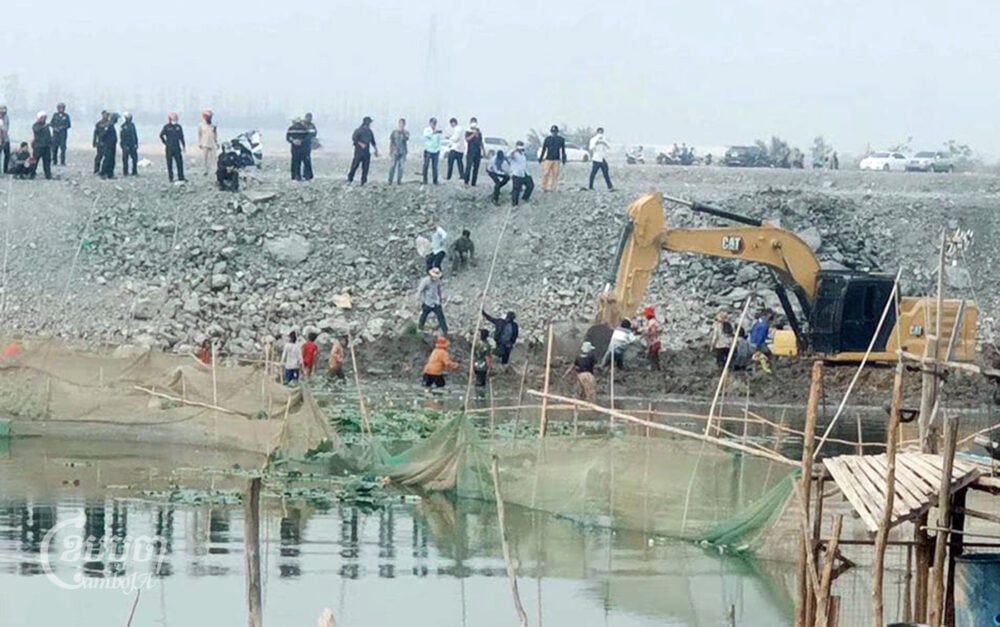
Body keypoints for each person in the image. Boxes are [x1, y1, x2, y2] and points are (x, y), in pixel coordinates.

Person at [417, 268, 448, 335]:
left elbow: (438, 289)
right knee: (424, 315)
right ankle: (420, 328)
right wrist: (420, 300)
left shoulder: (438, 281)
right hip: (428, 302)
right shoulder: (425, 281)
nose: (435, 278)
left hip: (436, 302)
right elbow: (420, 290)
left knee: (441, 317)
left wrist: (440, 298)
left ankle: (445, 331)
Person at [347, 116, 377, 185]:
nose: (370, 124)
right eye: (369, 123)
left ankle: (363, 181)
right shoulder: (358, 130)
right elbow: (354, 139)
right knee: (355, 166)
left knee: (365, 167)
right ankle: (350, 179)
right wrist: (360, 144)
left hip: (366, 152)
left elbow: (373, 141)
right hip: (359, 152)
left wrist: (376, 150)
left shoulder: (369, 131)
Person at [538, 125, 567, 192]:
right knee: (546, 173)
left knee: (555, 174)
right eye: (553, 132)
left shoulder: (561, 140)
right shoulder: (547, 139)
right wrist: (541, 157)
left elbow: (563, 150)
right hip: (548, 159)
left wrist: (564, 159)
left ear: (557, 132)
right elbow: (544, 149)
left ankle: (553, 187)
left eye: (555, 132)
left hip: (556, 159)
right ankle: (544, 187)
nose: (554, 133)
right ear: (551, 132)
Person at [159, 112, 186, 182]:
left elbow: (181, 137)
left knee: (179, 162)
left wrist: (184, 146)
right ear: (170, 118)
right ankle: (171, 177)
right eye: (174, 117)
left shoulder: (179, 127)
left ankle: (181, 177)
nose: (175, 118)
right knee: (169, 163)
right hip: (169, 148)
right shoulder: (167, 127)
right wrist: (165, 143)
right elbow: (161, 135)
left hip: (177, 147)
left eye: (176, 117)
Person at [509, 141, 534, 206]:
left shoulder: (523, 154)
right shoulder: (514, 153)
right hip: (516, 174)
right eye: (519, 145)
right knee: (516, 189)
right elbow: (508, 155)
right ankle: (514, 204)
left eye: (521, 145)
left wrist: (524, 150)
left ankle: (525, 198)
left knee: (530, 185)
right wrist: (515, 149)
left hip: (525, 173)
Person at [30, 112, 52, 180]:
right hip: (38, 147)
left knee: (47, 162)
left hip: (46, 147)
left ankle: (48, 175)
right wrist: (45, 126)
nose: (44, 119)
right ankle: (31, 174)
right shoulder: (35, 125)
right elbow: (37, 130)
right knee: (34, 162)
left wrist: (50, 143)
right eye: (42, 118)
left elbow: (48, 136)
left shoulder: (46, 126)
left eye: (45, 118)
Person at [387, 118, 409, 184]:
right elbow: (391, 141)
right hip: (395, 151)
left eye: (403, 124)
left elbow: (406, 138)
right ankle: (390, 180)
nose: (401, 125)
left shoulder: (406, 132)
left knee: (401, 167)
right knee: (392, 166)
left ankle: (399, 181)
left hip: (403, 152)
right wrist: (390, 150)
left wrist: (402, 132)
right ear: (398, 124)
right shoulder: (394, 132)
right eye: (400, 123)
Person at [422, 117, 443, 185]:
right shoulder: (426, 130)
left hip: (436, 151)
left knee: (435, 167)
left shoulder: (437, 131)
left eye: (435, 123)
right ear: (430, 123)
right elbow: (426, 136)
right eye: (433, 123)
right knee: (426, 166)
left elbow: (439, 141)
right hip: (428, 150)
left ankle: (435, 181)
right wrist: (433, 132)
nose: (434, 124)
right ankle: (425, 180)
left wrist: (439, 149)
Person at [640, 306, 661, 370]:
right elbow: (658, 330)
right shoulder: (655, 321)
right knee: (655, 356)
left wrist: (642, 334)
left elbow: (648, 331)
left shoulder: (651, 322)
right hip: (657, 341)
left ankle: (653, 368)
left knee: (652, 355)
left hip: (653, 342)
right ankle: (658, 368)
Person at [473, 328, 493, 397]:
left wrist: (472, 366)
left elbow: (474, 356)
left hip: (476, 365)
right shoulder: (486, 345)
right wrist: (489, 367)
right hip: (483, 366)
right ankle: (480, 396)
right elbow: (487, 357)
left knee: (478, 380)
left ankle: (477, 395)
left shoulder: (477, 344)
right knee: (481, 383)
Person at [464, 117, 484, 186]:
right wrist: (473, 134)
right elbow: (467, 139)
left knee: (476, 168)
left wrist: (483, 150)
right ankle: (466, 181)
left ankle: (473, 182)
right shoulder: (468, 131)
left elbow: (481, 141)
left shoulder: (479, 132)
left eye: (475, 122)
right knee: (468, 167)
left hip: (477, 152)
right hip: (470, 151)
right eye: (472, 122)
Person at [197, 109, 218, 176]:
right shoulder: (201, 125)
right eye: (208, 116)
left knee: (213, 158)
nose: (209, 118)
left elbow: (215, 134)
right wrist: (199, 143)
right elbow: (199, 134)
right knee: (204, 158)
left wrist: (216, 142)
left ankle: (214, 170)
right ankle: (205, 170)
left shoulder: (213, 125)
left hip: (212, 143)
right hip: (204, 143)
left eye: (210, 116)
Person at [98, 113, 118, 179]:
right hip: (108, 146)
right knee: (107, 159)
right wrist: (102, 142)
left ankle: (110, 174)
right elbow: (103, 135)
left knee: (111, 160)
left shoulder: (111, 125)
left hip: (112, 146)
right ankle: (103, 173)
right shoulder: (109, 125)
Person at [120, 112, 139, 176]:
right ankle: (125, 172)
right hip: (126, 145)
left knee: (135, 159)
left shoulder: (132, 125)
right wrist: (123, 145)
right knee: (125, 159)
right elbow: (122, 137)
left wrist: (136, 143)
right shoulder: (123, 126)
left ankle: (134, 171)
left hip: (132, 145)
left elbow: (135, 135)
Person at [302, 112, 317, 180]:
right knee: (299, 160)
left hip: (307, 145)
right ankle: (298, 174)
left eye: (310, 118)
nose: (309, 119)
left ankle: (308, 174)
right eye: (308, 117)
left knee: (307, 159)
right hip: (301, 144)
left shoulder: (312, 125)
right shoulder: (302, 125)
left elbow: (314, 133)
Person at [0, 105, 9, 173]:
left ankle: (5, 170)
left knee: (7, 155)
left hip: (6, 139)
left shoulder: (6, 117)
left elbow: (6, 129)